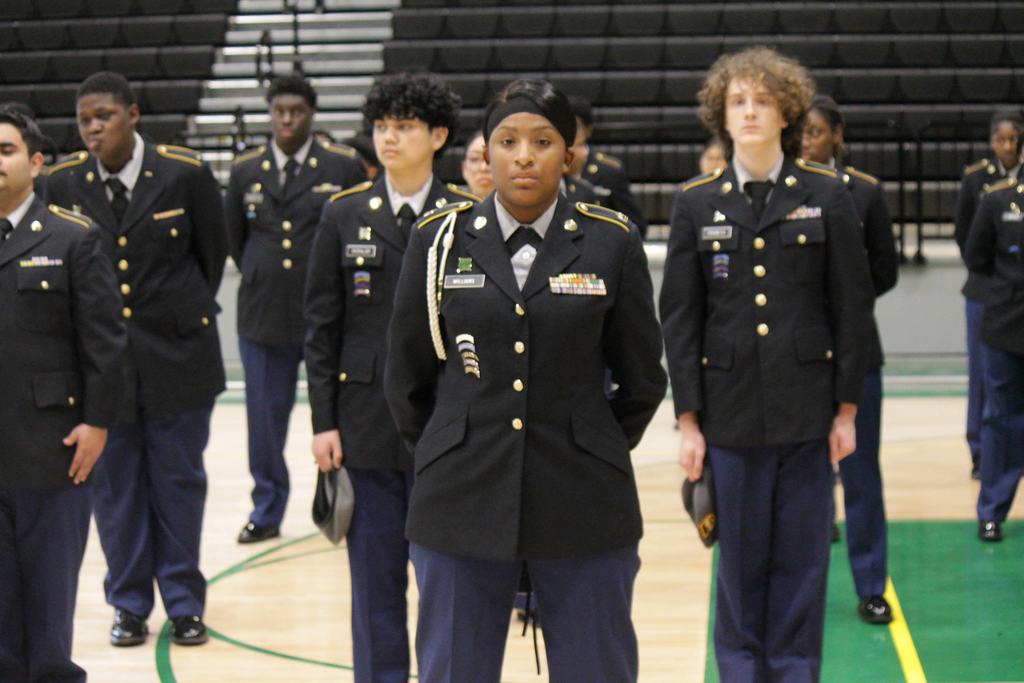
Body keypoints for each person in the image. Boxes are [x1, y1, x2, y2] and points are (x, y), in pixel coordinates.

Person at [384, 78, 666, 683]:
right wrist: (449, 448)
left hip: (584, 498)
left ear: (569, 154)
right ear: (486, 153)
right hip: (460, 499)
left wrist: (589, 439)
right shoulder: (439, 239)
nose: (523, 155)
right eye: (507, 140)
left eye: (542, 141)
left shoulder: (609, 242)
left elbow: (642, 379)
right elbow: (406, 378)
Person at [661, 48, 873, 681]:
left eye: (762, 101)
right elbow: (681, 319)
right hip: (728, 418)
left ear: (786, 113)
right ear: (721, 117)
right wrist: (689, 420)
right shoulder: (695, 202)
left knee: (803, 566)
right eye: (737, 102)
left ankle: (794, 671)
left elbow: (851, 308)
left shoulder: (827, 195)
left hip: (807, 416)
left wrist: (846, 409)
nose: (750, 112)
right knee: (739, 566)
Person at [46, 71, 228, 647]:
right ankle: (127, 604)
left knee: (179, 484)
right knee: (115, 490)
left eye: (104, 115)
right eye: (84, 120)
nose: (94, 128)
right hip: (102, 371)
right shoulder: (63, 183)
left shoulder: (185, 172)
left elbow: (212, 255)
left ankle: (183, 602)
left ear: (133, 114)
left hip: (180, 357)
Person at [304, 71, 475, 683]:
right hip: (366, 427)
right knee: (374, 586)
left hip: (445, 428)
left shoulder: (468, 217)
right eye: (381, 126)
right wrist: (323, 421)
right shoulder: (344, 213)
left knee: (446, 585)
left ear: (438, 136)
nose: (389, 138)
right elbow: (321, 327)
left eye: (404, 127)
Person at [0, 107, 125, 683]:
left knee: (48, 603)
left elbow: (104, 343)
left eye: (6, 151)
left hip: (53, 448)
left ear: (37, 160)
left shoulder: (74, 237)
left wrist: (97, 423)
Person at [225, 73, 365, 544]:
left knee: (337, 414)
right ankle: (266, 509)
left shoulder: (341, 165)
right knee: (263, 422)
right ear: (270, 113)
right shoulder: (246, 168)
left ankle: (341, 502)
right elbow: (231, 239)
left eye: (297, 111)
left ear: (312, 114)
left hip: (327, 314)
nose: (287, 119)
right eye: (280, 110)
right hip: (263, 315)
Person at [802, 94, 900, 624]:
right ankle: (805, 589)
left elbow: (885, 270)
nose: (807, 142)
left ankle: (870, 585)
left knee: (861, 473)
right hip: (799, 356)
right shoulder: (785, 193)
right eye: (802, 133)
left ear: (837, 136)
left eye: (816, 133)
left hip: (858, 351)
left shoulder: (864, 194)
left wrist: (846, 304)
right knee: (804, 479)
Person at [953, 111, 1022, 480]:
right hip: (986, 290)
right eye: (1001, 139)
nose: (1008, 146)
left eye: (1014, 139)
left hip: (1020, 293)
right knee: (983, 374)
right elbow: (965, 234)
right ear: (991, 141)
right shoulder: (976, 179)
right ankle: (980, 451)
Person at [964, 175, 1024, 542]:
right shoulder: (998, 200)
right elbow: (977, 257)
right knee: (1000, 419)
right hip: (1006, 325)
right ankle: (992, 511)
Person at [568, 95, 648, 237]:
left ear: (587, 130)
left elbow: (635, 225)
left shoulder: (609, 171)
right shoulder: (548, 168)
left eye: (575, 126)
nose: (568, 133)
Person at [461, 130, 493, 198]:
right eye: (475, 159)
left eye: (491, 159)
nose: (483, 167)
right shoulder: (448, 207)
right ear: (464, 168)